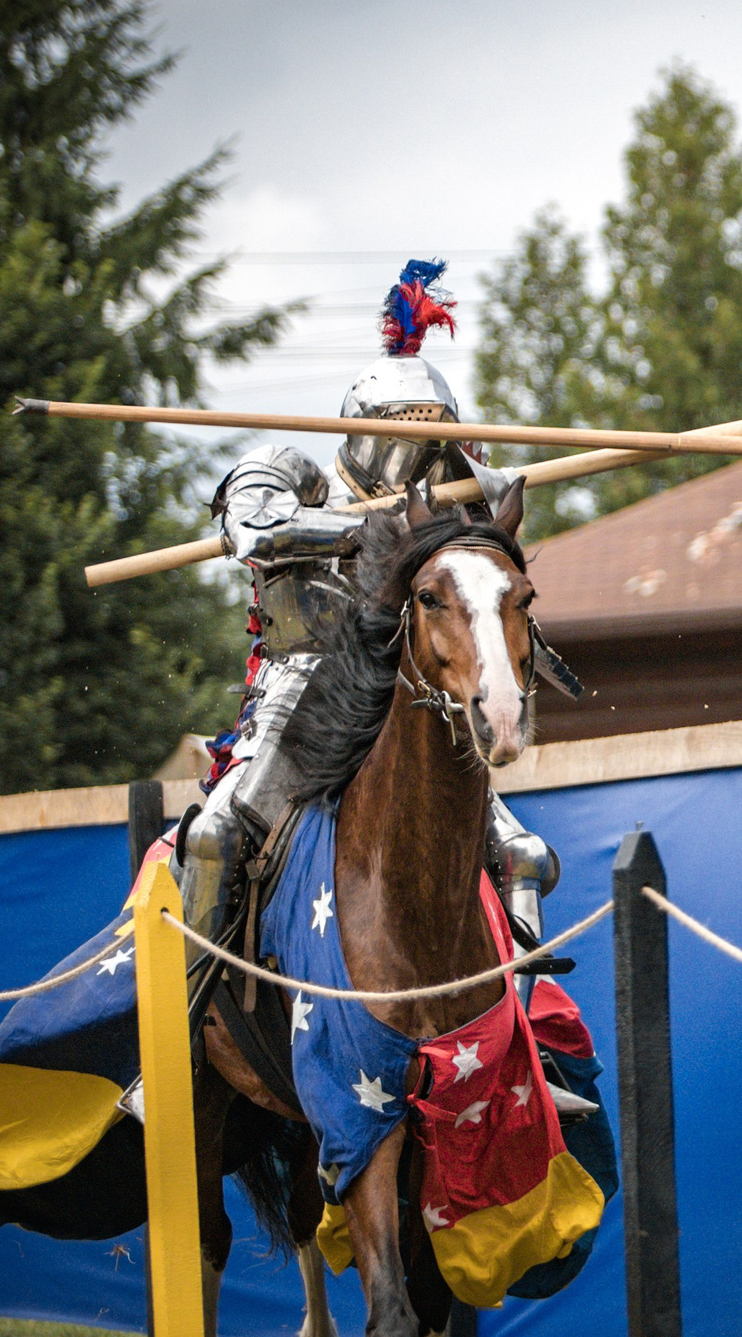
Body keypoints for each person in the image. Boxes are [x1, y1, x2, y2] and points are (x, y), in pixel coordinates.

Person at [176, 260, 563, 975]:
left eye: (433, 431)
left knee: (521, 854)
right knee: (217, 836)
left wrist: (468, 501)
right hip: (307, 689)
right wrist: (361, 531)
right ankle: (185, 1023)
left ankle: (525, 1028)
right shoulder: (298, 473)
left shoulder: (451, 503)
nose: (415, 448)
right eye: (401, 427)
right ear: (360, 428)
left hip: (408, 695)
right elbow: (254, 528)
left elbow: (489, 561)